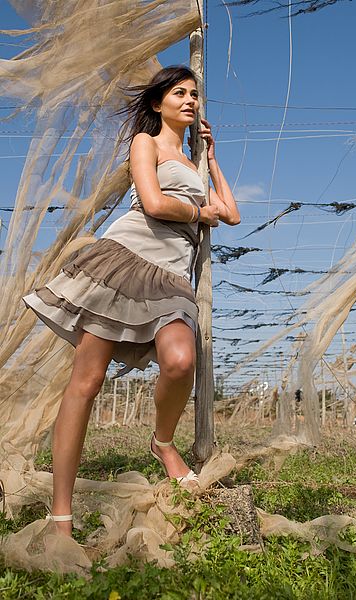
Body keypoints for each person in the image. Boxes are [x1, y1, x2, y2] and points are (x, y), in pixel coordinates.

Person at [22, 65, 241, 536]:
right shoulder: (146, 144)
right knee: (88, 378)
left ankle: (162, 442)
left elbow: (235, 214)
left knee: (182, 362)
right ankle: (61, 520)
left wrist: (213, 159)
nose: (189, 100)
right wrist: (202, 212)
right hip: (126, 262)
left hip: (172, 277)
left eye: (194, 95)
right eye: (179, 93)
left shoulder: (193, 162)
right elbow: (155, 203)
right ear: (158, 103)